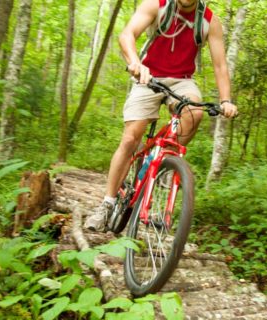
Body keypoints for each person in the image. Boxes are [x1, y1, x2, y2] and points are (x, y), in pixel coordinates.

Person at [84, 0, 238, 231]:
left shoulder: (209, 21)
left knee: (194, 112)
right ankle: (107, 203)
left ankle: (166, 162)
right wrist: (136, 63)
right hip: (147, 76)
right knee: (130, 138)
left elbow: (220, 66)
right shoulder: (157, 5)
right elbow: (127, 35)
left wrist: (226, 100)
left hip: (182, 80)